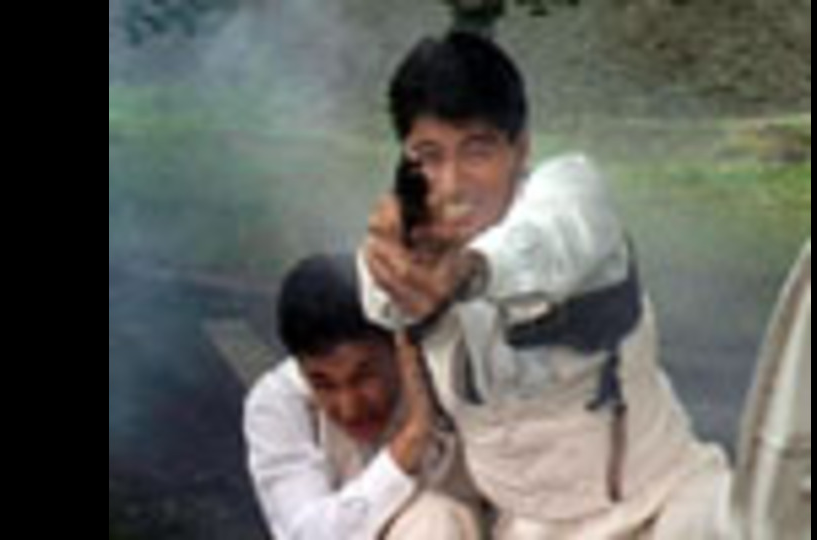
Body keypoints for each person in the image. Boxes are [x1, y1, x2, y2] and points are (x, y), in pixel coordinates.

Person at [358, 31, 732, 539]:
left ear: (520, 148)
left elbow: (548, 240)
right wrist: (398, 253)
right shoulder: (406, 245)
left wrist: (469, 270)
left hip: (666, 506)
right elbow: (379, 290)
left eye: (477, 151)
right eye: (429, 156)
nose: (453, 183)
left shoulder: (571, 192)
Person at [244, 253, 484, 540]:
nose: (350, 408)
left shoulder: (452, 374)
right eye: (323, 384)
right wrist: (412, 439)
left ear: (401, 349)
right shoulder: (278, 403)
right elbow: (306, 534)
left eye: (364, 376)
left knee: (436, 518)